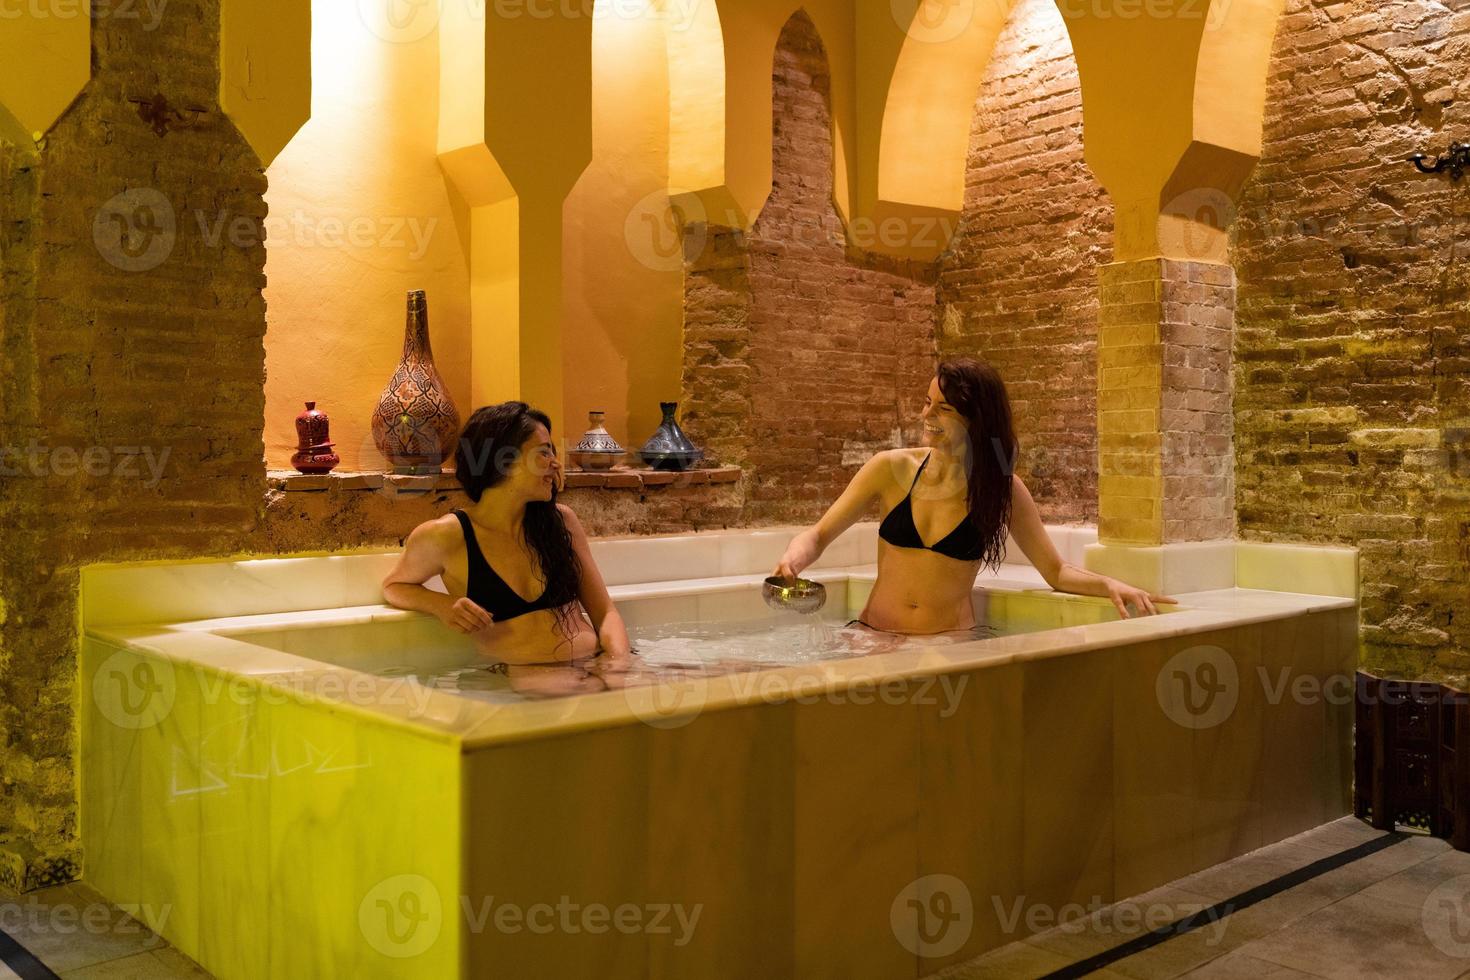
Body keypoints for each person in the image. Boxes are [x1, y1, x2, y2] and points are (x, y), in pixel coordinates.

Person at [773, 358, 1174, 634]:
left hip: (948, 643)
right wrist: (795, 556)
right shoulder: (890, 469)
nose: (926, 416)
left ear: (975, 420)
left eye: (944, 408)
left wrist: (1110, 586)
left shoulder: (1002, 488)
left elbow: (1054, 571)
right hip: (875, 632)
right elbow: (819, 535)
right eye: (928, 403)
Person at [381, 402, 636, 695]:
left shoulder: (560, 522)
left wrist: (618, 667)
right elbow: (394, 586)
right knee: (560, 692)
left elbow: (605, 613)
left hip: (597, 664)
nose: (555, 463)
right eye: (544, 452)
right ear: (502, 461)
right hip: (528, 678)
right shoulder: (448, 536)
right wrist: (442, 606)